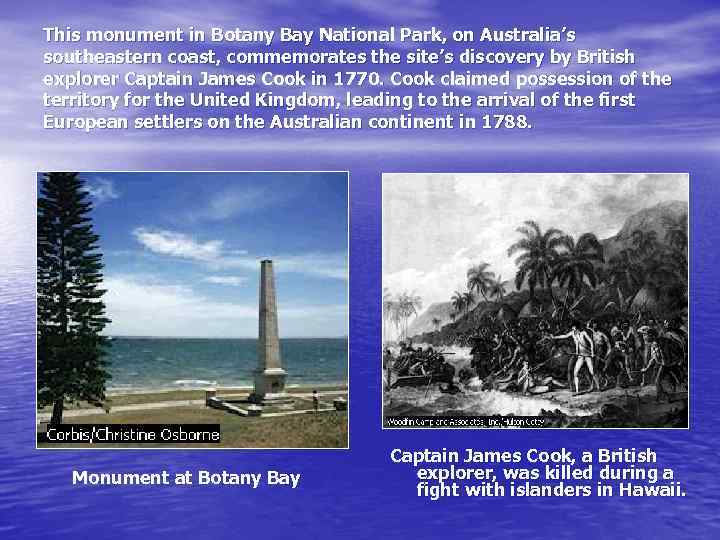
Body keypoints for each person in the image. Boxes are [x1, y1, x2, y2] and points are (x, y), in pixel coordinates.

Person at [553, 320, 599, 394]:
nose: (574, 330)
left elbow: (591, 342)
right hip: (580, 356)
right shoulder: (573, 333)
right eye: (573, 329)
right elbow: (564, 336)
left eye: (575, 328)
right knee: (575, 373)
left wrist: (592, 353)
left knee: (592, 371)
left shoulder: (583, 333)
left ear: (578, 328)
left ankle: (598, 387)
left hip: (587, 355)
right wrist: (555, 337)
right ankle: (577, 391)